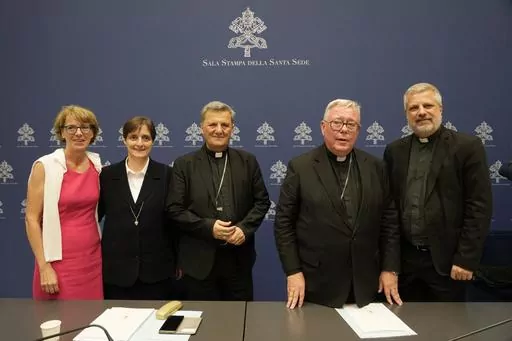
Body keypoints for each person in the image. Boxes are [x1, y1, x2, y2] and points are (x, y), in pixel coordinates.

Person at [274, 99, 401, 309]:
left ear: (358, 130)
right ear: (323, 127)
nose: (344, 130)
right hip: (317, 283)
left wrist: (390, 269)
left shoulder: (376, 167)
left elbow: (390, 223)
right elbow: (283, 225)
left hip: (367, 283)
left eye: (351, 124)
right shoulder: (301, 167)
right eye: (337, 123)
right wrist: (293, 272)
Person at [383, 82, 492, 301]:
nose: (421, 112)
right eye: (414, 108)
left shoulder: (467, 147)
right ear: (407, 114)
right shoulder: (395, 151)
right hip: (406, 264)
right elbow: (390, 210)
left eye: (428, 106)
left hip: (448, 263)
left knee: (449, 330)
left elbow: (479, 207)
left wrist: (465, 259)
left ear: (440, 109)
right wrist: (390, 265)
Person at [167, 100, 270, 301]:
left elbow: (262, 202)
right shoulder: (184, 164)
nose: (219, 130)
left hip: (238, 260)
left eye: (225, 125)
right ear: (202, 128)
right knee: (201, 323)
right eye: (213, 125)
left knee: (240, 323)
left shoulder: (248, 161)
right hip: (199, 262)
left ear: (232, 129)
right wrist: (209, 227)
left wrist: (244, 229)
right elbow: (174, 209)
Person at [25, 105, 103, 299]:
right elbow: (31, 219)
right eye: (71, 128)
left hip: (92, 259)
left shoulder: (96, 166)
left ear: (93, 133)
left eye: (86, 127)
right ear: (62, 132)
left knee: (91, 321)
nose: (79, 133)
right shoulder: (45, 166)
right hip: (57, 262)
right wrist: (44, 266)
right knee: (59, 322)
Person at [99, 116, 178, 300]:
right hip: (117, 274)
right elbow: (93, 217)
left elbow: (176, 222)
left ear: (153, 141)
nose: (139, 143)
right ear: (124, 139)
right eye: (133, 137)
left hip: (157, 273)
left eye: (146, 137)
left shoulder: (168, 174)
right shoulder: (107, 176)